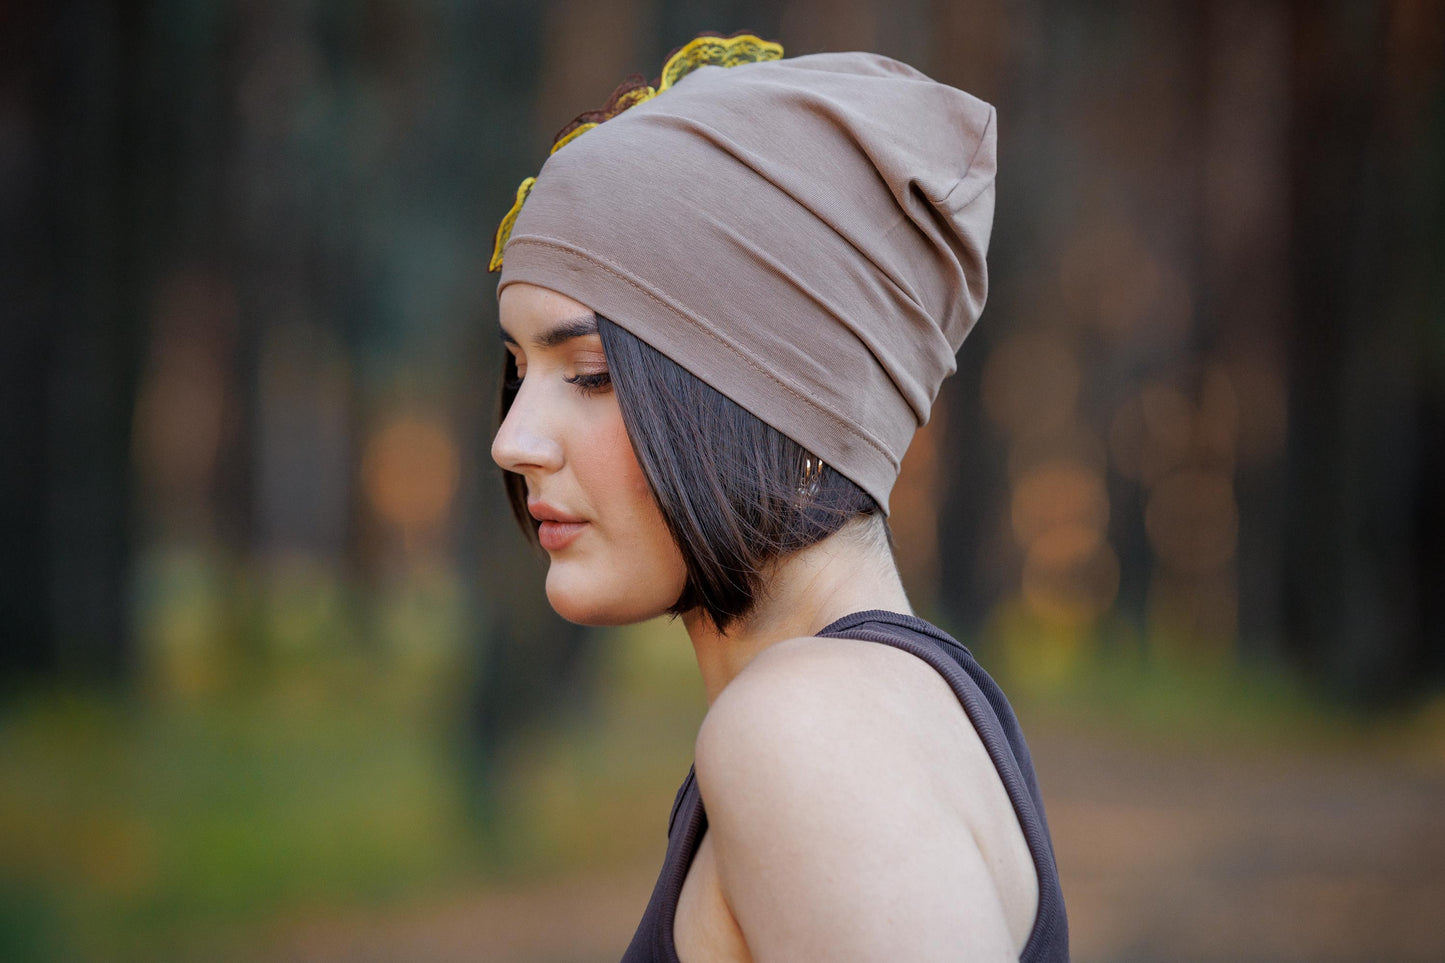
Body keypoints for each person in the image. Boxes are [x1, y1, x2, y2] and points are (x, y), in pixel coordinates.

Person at [489, 32, 1068, 962]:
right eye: (518, 372)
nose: (511, 439)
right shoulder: (878, 708)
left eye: (590, 372)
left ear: (771, 395)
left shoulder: (808, 732)